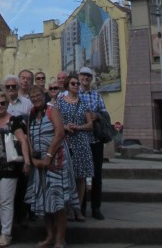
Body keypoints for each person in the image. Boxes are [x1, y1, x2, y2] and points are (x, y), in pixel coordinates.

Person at [24, 86, 79, 248]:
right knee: (44, 200)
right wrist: (33, 157)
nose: (35, 98)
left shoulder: (52, 110)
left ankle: (60, 239)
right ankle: (49, 236)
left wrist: (48, 156)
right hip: (40, 164)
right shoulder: (32, 113)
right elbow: (28, 137)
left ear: (44, 95)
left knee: (58, 200)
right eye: (32, 96)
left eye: (38, 95)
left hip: (56, 162)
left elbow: (60, 133)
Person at [0, 93, 30, 247]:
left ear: (7, 104)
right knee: (0, 201)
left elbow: (23, 141)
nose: (0, 106)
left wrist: (27, 161)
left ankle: (6, 234)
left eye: (3, 103)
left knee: (6, 201)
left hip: (10, 166)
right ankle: (3, 232)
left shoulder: (14, 121)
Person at [57, 73, 93, 221]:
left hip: (81, 142)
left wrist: (78, 127)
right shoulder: (60, 102)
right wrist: (65, 127)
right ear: (67, 86)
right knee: (66, 177)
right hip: (66, 142)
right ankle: (68, 209)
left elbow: (90, 124)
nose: (76, 86)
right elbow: (56, 122)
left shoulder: (83, 102)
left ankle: (78, 209)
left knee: (81, 177)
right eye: (73, 83)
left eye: (77, 84)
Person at [78, 66, 107, 220]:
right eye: (83, 75)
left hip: (95, 140)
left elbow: (105, 113)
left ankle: (96, 207)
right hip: (81, 140)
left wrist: (96, 116)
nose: (86, 78)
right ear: (79, 77)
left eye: (88, 76)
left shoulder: (96, 95)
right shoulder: (75, 94)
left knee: (97, 174)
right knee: (81, 175)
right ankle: (81, 207)